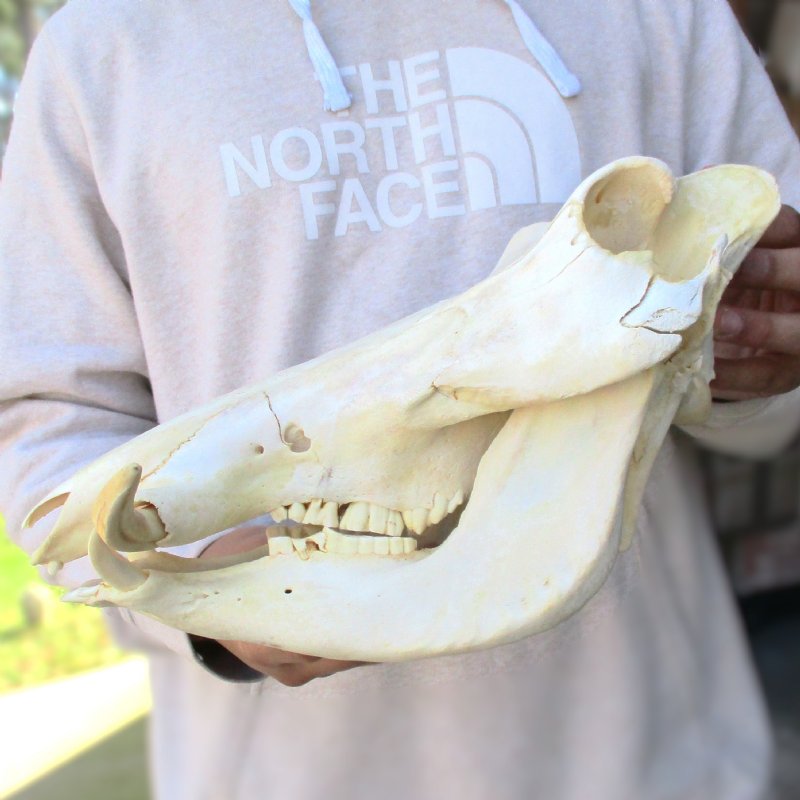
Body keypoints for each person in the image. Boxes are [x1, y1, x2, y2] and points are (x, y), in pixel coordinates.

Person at [1, 1, 799, 798]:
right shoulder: (98, 53)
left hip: (658, 759)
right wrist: (204, 599)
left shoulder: (660, 11)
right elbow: (47, 428)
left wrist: (747, 362)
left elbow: (775, 355)